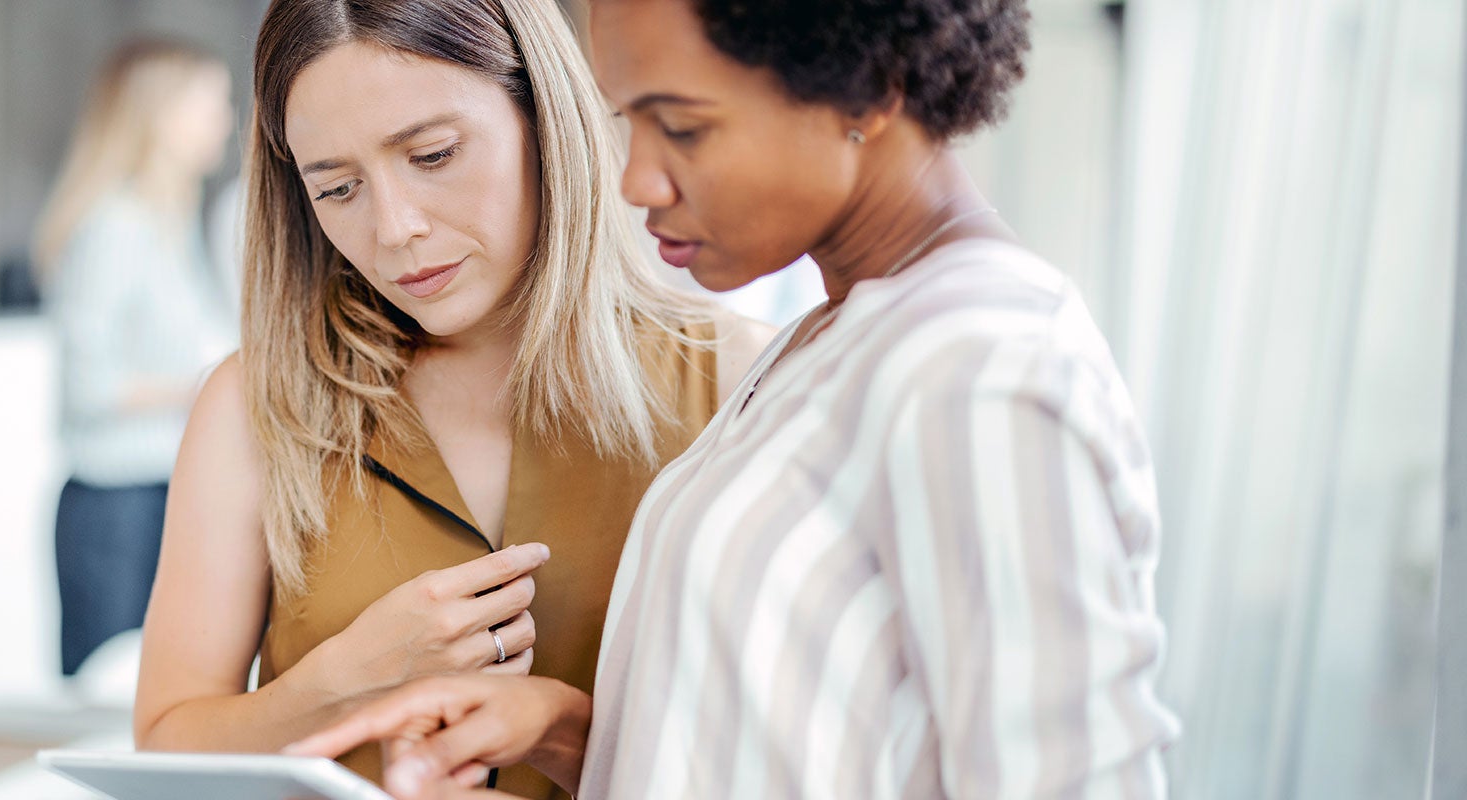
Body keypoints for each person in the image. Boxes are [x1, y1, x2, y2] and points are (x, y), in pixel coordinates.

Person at [287, 1, 1184, 797]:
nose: (637, 179)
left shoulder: (982, 367)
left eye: (683, 126)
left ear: (869, 89)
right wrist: (566, 735)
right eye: (629, 121)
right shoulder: (830, 340)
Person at [132, 1, 772, 797]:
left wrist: (569, 733)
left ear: (543, 116)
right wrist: (336, 685)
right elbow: (164, 745)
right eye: (337, 190)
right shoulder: (254, 404)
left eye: (433, 155)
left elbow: (781, 752)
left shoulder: (732, 379)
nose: (395, 228)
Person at [34, 39, 239, 678]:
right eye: (211, 105)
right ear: (159, 115)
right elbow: (88, 384)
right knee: (107, 697)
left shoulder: (174, 225)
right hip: (114, 506)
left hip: (160, 492)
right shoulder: (116, 225)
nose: (226, 121)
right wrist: (208, 384)